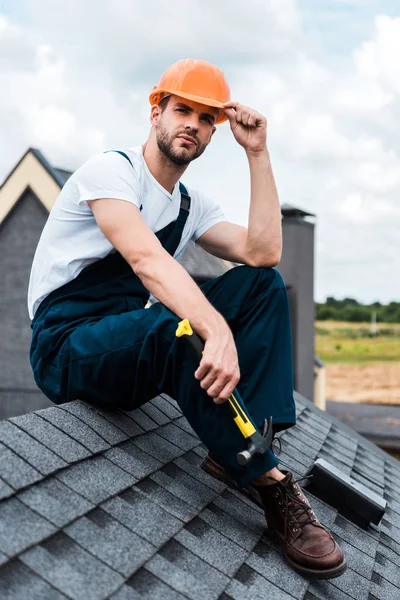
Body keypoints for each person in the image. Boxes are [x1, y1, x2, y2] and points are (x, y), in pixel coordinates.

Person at [27, 58, 346, 578]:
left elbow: (263, 252)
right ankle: (271, 484)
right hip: (67, 348)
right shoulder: (111, 173)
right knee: (178, 324)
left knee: (260, 284)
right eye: (182, 111)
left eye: (204, 118)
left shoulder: (189, 204)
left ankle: (249, 438)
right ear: (156, 111)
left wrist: (258, 153)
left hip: (129, 342)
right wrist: (214, 329)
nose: (192, 125)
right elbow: (146, 262)